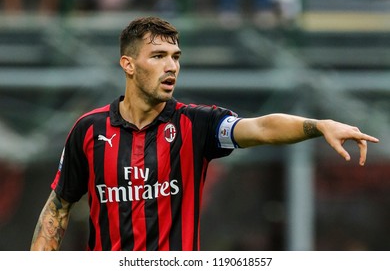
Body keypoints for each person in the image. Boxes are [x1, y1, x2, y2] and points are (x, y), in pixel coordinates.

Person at [30, 16, 379, 251]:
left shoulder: (197, 124)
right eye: (158, 56)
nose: (171, 66)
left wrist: (318, 126)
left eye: (176, 57)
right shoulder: (88, 130)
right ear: (128, 65)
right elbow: (57, 209)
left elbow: (260, 127)